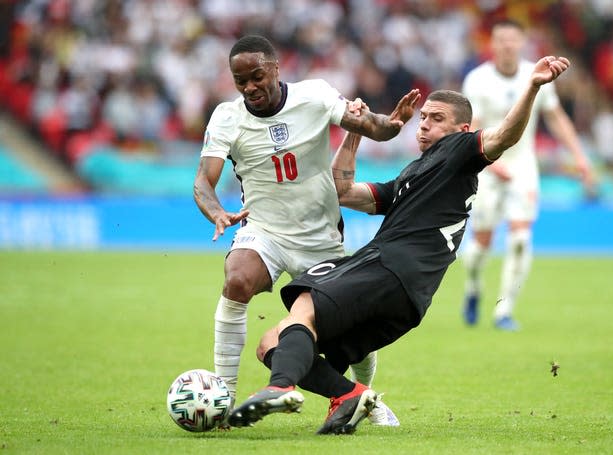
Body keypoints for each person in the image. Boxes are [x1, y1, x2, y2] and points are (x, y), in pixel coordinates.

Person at [226, 55, 573, 435]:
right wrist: (355, 132)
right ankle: (349, 395)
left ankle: (280, 388)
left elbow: (504, 136)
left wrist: (533, 87)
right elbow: (341, 191)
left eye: (436, 118)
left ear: (462, 128)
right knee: (271, 342)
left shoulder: (458, 152)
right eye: (423, 117)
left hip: (390, 266)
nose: (424, 125)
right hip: (407, 298)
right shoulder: (413, 174)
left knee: (305, 302)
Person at [192, 34, 420, 426]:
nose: (249, 87)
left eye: (256, 76)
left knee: (352, 333)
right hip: (264, 231)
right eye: (240, 80)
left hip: (320, 238)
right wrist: (216, 211)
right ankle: (223, 397)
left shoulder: (313, 95)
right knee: (237, 279)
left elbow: (369, 124)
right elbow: (203, 181)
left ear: (276, 69)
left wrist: (391, 124)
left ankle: (367, 397)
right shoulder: (226, 117)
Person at [460, 19, 594, 331]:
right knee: (482, 243)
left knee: (520, 238)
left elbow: (556, 117)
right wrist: (491, 163)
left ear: (522, 43)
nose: (506, 45)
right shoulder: (477, 80)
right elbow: (473, 129)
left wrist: (579, 156)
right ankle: (473, 288)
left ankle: (503, 311)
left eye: (512, 39)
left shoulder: (535, 74)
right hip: (487, 167)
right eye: (500, 39)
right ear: (492, 44)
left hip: (522, 167)